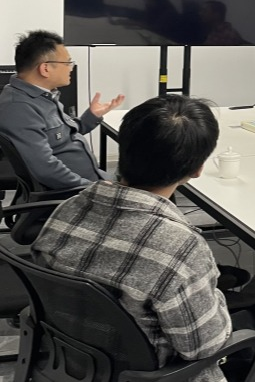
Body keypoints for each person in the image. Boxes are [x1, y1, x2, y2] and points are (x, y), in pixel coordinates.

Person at [32, 95, 236, 382]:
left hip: (72, 362)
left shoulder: (66, 210)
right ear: (197, 169)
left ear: (124, 149)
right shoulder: (181, 249)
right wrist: (215, 295)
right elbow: (204, 347)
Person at [0, 30, 124, 190]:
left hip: (93, 180)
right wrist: (95, 188)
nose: (70, 68)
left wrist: (92, 116)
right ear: (45, 68)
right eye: (67, 63)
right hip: (77, 192)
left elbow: (64, 134)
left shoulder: (41, 96)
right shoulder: (19, 108)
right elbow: (46, 170)